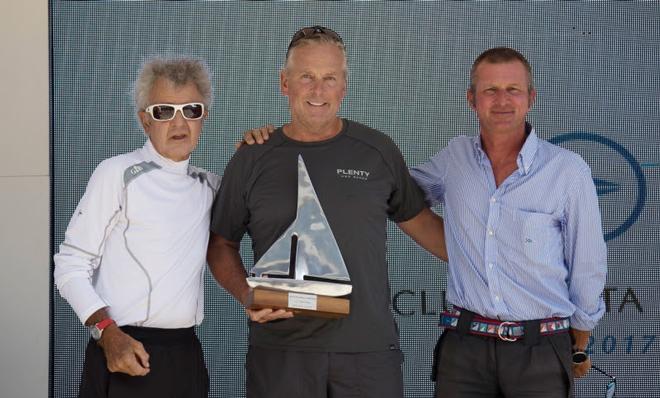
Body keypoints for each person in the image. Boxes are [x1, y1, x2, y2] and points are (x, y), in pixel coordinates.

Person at [207, 26, 447, 398]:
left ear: (344, 87)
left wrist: (505, 260)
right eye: (306, 77)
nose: (318, 91)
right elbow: (221, 244)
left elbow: (429, 230)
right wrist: (247, 295)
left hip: (368, 356)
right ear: (284, 83)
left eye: (329, 78)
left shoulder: (377, 151)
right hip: (280, 356)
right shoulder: (252, 157)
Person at [411, 47, 607, 397]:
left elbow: (587, 263)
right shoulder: (454, 159)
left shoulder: (567, 171)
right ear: (472, 100)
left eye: (512, 90)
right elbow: (394, 193)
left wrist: (579, 341)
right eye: (490, 90)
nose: (502, 100)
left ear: (530, 98)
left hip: (541, 351)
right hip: (464, 351)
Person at [54, 57, 218, 397]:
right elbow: (69, 266)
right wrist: (107, 333)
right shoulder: (117, 173)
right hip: (123, 350)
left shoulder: (211, 187)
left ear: (204, 118)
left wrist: (261, 145)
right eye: (163, 111)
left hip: (186, 355)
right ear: (145, 121)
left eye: (191, 110)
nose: (179, 122)